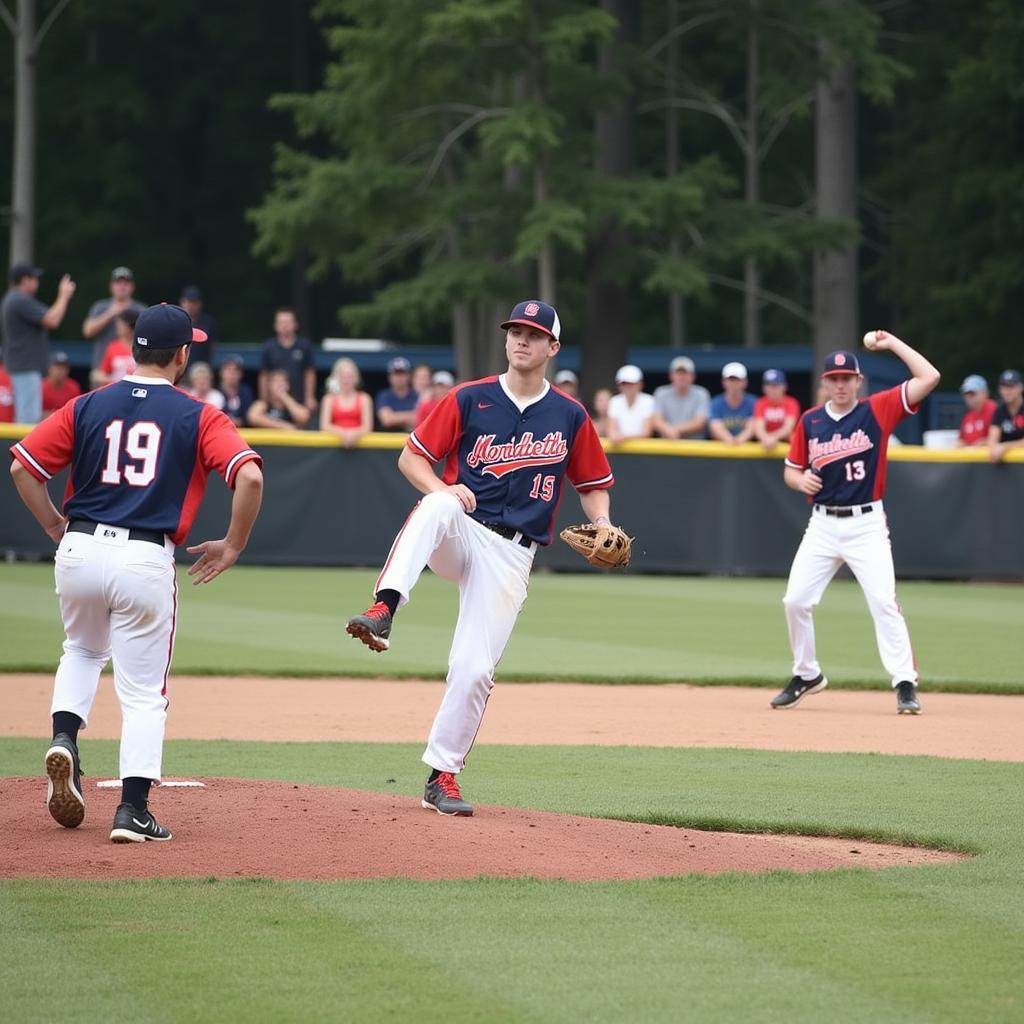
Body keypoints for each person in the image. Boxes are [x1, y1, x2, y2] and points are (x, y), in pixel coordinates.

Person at [345, 299, 616, 816]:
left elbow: (593, 484)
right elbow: (412, 458)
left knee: (474, 671)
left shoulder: (570, 414)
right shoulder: (470, 398)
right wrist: (443, 489)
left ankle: (441, 775)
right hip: (462, 532)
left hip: (512, 555)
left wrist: (602, 521)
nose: (521, 339)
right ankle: (384, 607)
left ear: (552, 348)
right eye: (515, 330)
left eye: (534, 334)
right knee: (435, 503)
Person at [8, 302, 263, 842]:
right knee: (144, 692)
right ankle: (133, 811)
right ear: (183, 355)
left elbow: (23, 468)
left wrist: (56, 525)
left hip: (79, 547)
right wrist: (233, 544)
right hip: (144, 556)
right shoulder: (198, 413)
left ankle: (65, 739)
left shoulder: (88, 404)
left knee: (80, 650)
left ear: (133, 348)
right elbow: (249, 478)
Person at [771, 333, 940, 715]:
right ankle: (807, 674)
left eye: (847, 377)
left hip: (866, 523)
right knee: (795, 600)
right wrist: (801, 481)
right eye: (834, 378)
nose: (841, 384)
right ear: (824, 383)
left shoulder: (877, 409)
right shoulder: (811, 420)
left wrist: (894, 343)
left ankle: (904, 683)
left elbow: (929, 377)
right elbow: (790, 471)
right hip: (822, 525)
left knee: (883, 602)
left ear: (859, 382)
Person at [1, 263, 76, 424]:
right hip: (25, 368)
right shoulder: (19, 300)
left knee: (26, 417)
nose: (37, 281)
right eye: (34, 278)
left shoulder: (17, 299)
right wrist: (63, 295)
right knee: (28, 421)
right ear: (25, 280)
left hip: (22, 367)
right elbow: (52, 320)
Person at [82, 267, 145, 369]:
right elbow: (87, 331)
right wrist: (111, 313)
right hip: (102, 369)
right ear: (111, 286)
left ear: (132, 286)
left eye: (126, 283)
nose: (122, 287)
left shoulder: (140, 309)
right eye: (118, 283)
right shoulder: (100, 307)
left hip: (132, 367)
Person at [258, 308, 316, 415]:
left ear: (295, 324)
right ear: (275, 325)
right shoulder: (268, 347)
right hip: (274, 402)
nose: (284, 325)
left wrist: (309, 397)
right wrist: (264, 398)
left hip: (298, 399)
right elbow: (264, 375)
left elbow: (309, 373)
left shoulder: (304, 346)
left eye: (287, 322)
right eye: (281, 322)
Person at [652, 356, 710, 440]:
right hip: (667, 446)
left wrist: (675, 430)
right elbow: (656, 420)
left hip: (694, 447)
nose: (681, 377)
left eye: (685, 373)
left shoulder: (701, 394)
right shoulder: (661, 392)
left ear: (692, 376)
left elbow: (700, 422)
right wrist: (668, 430)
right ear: (671, 375)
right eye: (678, 373)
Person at [320, 357, 373, 447]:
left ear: (356, 378)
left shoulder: (365, 398)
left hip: (360, 448)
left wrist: (353, 435)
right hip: (331, 449)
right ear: (336, 378)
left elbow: (367, 427)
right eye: (343, 376)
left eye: (349, 376)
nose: (346, 380)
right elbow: (324, 426)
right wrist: (343, 434)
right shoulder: (328, 399)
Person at [708, 362, 756, 444]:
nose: (734, 384)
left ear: (745, 382)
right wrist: (729, 440)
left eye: (738, 380)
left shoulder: (753, 402)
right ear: (723, 382)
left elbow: (753, 426)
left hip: (747, 450)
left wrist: (739, 440)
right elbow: (715, 426)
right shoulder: (716, 403)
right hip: (722, 450)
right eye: (731, 380)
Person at [753, 369, 800, 449]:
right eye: (769, 385)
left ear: (784, 386)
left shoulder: (791, 402)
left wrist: (773, 437)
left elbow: (788, 428)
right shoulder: (760, 403)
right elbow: (759, 428)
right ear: (764, 388)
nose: (773, 389)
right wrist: (766, 438)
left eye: (776, 385)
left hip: (787, 444)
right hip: (765, 444)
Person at [607, 364, 655, 442]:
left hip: (643, 449)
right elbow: (611, 430)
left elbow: (647, 432)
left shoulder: (649, 400)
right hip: (619, 450)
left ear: (640, 384)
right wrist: (614, 436)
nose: (627, 387)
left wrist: (623, 437)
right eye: (624, 383)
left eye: (631, 383)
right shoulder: (614, 401)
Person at [91, 309, 138, 387]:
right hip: (118, 390)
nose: (118, 327)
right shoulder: (113, 347)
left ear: (129, 325)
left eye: (121, 324)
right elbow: (101, 374)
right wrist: (116, 380)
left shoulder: (142, 347)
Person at [988, 369, 1024, 463]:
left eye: (1011, 386)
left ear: (1020, 387)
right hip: (1003, 469)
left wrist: (1005, 447)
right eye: (1004, 387)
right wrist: (995, 448)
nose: (1007, 391)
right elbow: (992, 439)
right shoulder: (999, 410)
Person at [375, 356, 419, 431]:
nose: (399, 377)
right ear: (390, 376)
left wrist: (395, 417)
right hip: (388, 439)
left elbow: (419, 418)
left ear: (409, 376)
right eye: (396, 373)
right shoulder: (384, 395)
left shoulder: (417, 394)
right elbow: (387, 420)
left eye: (402, 373)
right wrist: (410, 416)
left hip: (412, 438)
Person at [956, 375, 996, 447]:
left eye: (972, 394)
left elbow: (1002, 438)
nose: (969, 398)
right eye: (966, 394)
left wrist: (982, 443)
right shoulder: (968, 416)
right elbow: (962, 440)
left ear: (985, 393)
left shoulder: (994, 410)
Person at [178, 285, 219, 355]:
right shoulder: (175, 322)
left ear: (200, 303)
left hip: (199, 362)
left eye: (194, 302)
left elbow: (212, 348)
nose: (191, 305)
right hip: (178, 362)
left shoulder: (209, 322)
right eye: (188, 302)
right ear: (182, 302)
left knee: (201, 366)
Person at [219, 355, 254, 428]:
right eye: (228, 369)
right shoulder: (215, 392)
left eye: (236, 370)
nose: (232, 374)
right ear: (221, 372)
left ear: (241, 374)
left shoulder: (246, 392)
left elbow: (248, 417)